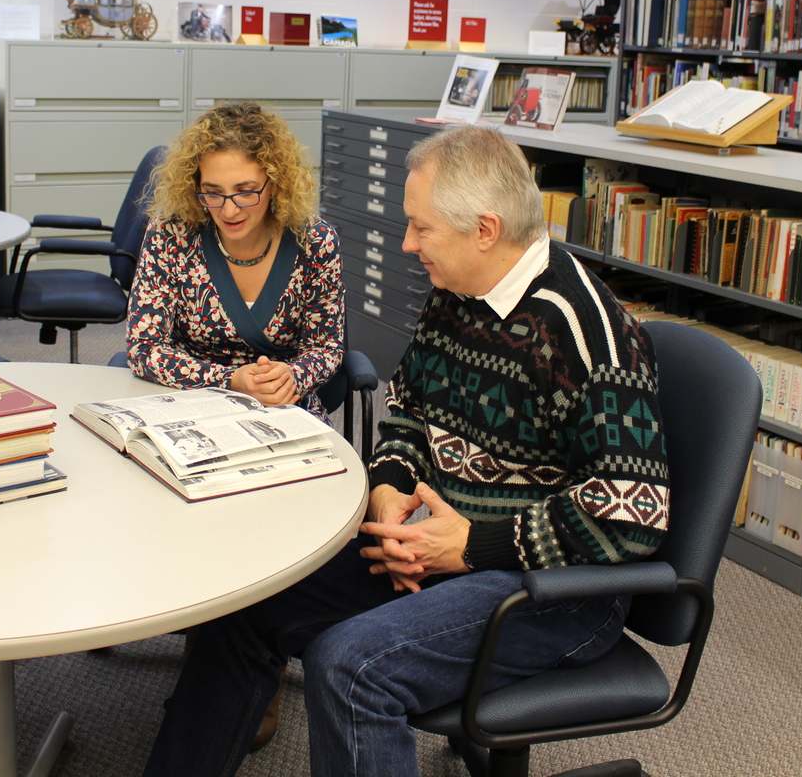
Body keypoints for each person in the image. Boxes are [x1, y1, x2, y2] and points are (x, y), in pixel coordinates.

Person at [142, 125, 671, 777]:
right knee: (242, 606)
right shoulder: (457, 295)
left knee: (353, 668)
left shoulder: (587, 331)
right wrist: (389, 487)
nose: (406, 244)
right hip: (443, 548)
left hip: (558, 592)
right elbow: (412, 414)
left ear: (484, 229)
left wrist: (471, 545)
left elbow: (632, 513)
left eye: (421, 229)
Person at [127, 100, 345, 418]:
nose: (229, 211)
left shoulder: (314, 241)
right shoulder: (171, 232)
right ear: (194, 186)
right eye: (212, 192)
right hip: (189, 402)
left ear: (276, 184)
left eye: (246, 191)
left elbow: (326, 347)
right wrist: (229, 380)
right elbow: (143, 348)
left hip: (281, 405)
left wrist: (291, 377)